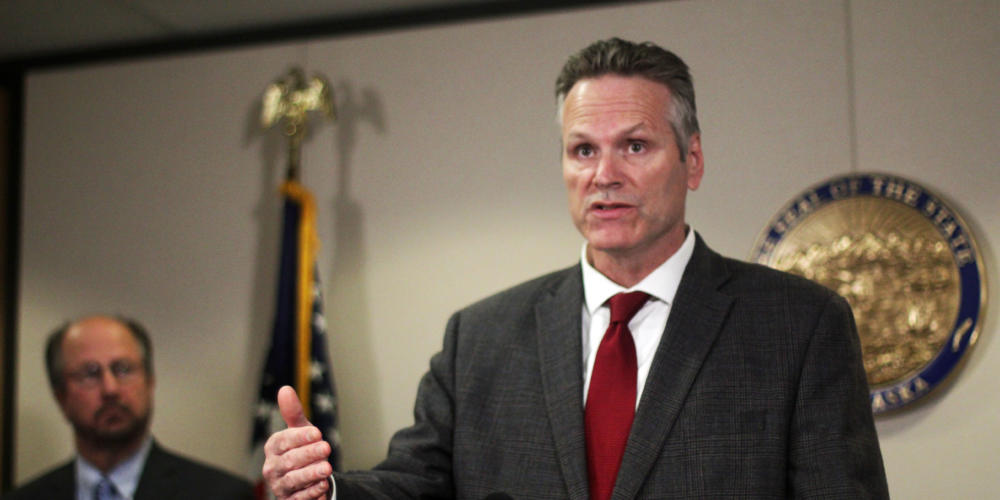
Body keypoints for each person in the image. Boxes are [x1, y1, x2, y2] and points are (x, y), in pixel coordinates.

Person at [262, 38, 889, 499]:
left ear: (692, 161)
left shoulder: (798, 326)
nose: (604, 175)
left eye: (634, 146)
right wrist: (326, 491)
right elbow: (415, 485)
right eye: (582, 150)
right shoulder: (479, 339)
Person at [4, 315, 254, 500]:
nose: (110, 389)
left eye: (123, 369)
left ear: (150, 381)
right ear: (60, 396)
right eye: (90, 374)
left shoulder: (222, 495)